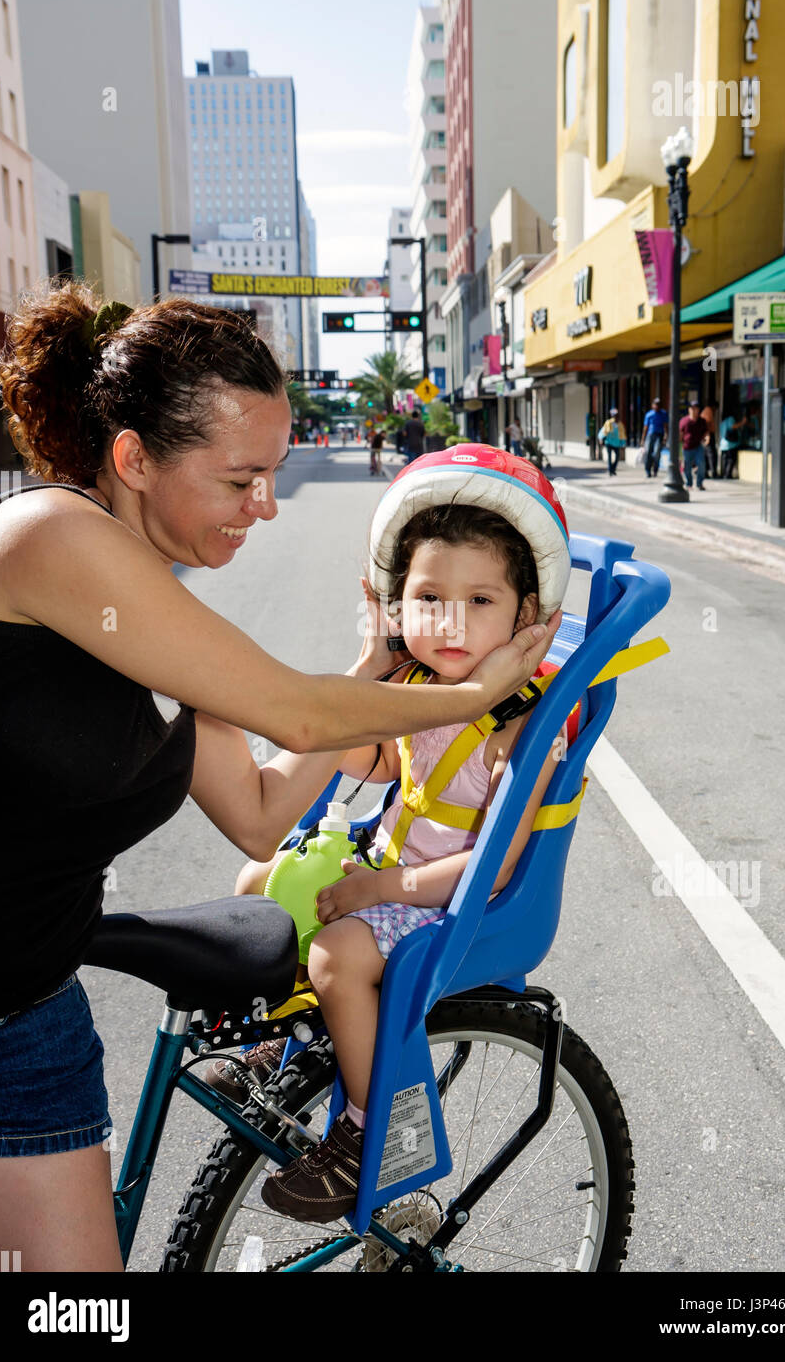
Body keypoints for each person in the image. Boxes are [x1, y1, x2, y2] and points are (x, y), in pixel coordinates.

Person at [0, 283, 559, 1272]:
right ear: (132, 459)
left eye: (274, 474)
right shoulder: (49, 539)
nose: (266, 505)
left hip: (23, 998)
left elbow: (261, 809)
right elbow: (294, 711)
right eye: (241, 477)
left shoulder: (148, 604)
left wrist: (376, 663)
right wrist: (472, 696)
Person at [217, 453, 571, 1223]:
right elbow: (381, 759)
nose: (450, 620)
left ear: (524, 616)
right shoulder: (416, 684)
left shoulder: (520, 730)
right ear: (396, 608)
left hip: (454, 901)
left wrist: (381, 889)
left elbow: (496, 859)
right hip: (390, 870)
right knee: (258, 886)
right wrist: (329, 722)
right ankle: (281, 1050)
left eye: (480, 599)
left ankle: (369, 1130)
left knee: (335, 952)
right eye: (428, 597)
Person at [679, 400, 708, 489]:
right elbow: (680, 436)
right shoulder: (684, 421)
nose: (694, 410)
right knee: (687, 467)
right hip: (686, 447)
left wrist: (707, 438)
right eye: (692, 408)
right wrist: (680, 453)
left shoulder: (702, 421)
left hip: (698, 446)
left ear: (698, 410)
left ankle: (699, 483)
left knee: (701, 464)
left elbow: (706, 432)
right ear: (689, 410)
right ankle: (689, 483)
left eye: (696, 408)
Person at [641, 398, 669, 478]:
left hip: (659, 435)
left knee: (657, 453)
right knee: (648, 452)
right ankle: (647, 470)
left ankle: (655, 470)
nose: (657, 406)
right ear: (652, 405)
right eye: (655, 404)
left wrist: (666, 435)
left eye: (658, 404)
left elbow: (665, 426)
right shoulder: (649, 414)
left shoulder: (663, 414)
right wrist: (642, 439)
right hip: (650, 435)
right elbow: (645, 428)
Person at [599, 407, 627, 476]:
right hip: (609, 443)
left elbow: (623, 435)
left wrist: (623, 444)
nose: (616, 417)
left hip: (616, 444)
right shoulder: (608, 423)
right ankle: (610, 470)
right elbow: (603, 432)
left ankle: (613, 469)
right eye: (614, 415)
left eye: (617, 415)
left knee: (617, 457)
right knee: (609, 457)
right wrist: (601, 439)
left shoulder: (620, 424)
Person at [719, 410, 746, 479]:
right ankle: (727, 474)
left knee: (725, 460)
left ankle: (725, 474)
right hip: (730, 444)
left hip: (723, 444)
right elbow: (733, 426)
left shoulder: (722, 421)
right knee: (731, 460)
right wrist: (742, 423)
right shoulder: (730, 418)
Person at [701, 400, 718, 479]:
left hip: (706, 434)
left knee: (707, 454)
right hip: (708, 434)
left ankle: (705, 472)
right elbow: (706, 423)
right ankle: (713, 472)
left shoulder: (706, 411)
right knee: (711, 454)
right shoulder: (708, 411)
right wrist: (707, 435)